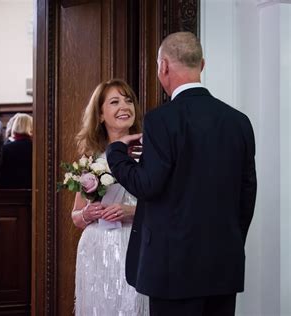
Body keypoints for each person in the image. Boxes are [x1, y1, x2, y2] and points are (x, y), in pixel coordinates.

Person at [106, 32, 257, 316]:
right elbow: (247, 193)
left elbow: (148, 184)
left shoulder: (161, 119)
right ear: (202, 65)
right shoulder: (239, 122)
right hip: (223, 265)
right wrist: (230, 242)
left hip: (172, 271)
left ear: (163, 66)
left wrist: (115, 153)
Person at [71, 79, 149, 315]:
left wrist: (132, 211)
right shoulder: (90, 156)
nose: (124, 106)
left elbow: (165, 206)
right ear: (101, 114)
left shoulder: (150, 150)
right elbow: (75, 216)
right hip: (96, 249)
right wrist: (87, 213)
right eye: (115, 101)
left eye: (128, 100)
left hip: (133, 245)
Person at [0, 113, 33, 189]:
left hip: (9, 194)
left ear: (15, 126)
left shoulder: (5, 148)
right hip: (32, 194)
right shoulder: (36, 149)